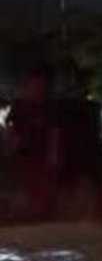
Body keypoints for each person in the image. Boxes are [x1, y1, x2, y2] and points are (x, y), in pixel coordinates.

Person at [5, 73, 56, 219]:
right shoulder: (20, 106)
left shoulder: (47, 107)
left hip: (41, 150)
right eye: (34, 86)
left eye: (40, 86)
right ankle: (33, 209)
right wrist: (11, 143)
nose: (37, 89)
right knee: (26, 179)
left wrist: (53, 152)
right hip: (24, 150)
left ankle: (41, 209)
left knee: (41, 180)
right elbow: (11, 127)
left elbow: (53, 131)